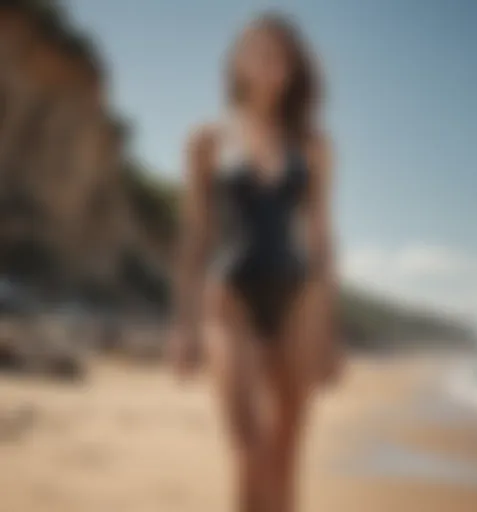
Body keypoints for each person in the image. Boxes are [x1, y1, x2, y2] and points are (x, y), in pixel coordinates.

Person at [170, 11, 340, 512]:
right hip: (230, 299)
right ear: (238, 64)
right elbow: (195, 236)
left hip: (299, 301)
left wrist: (331, 331)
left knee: (287, 459)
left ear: (291, 70)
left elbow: (321, 239)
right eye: (258, 52)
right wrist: (183, 324)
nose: (269, 64)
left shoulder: (313, 146)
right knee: (249, 449)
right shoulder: (207, 140)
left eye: (279, 56)